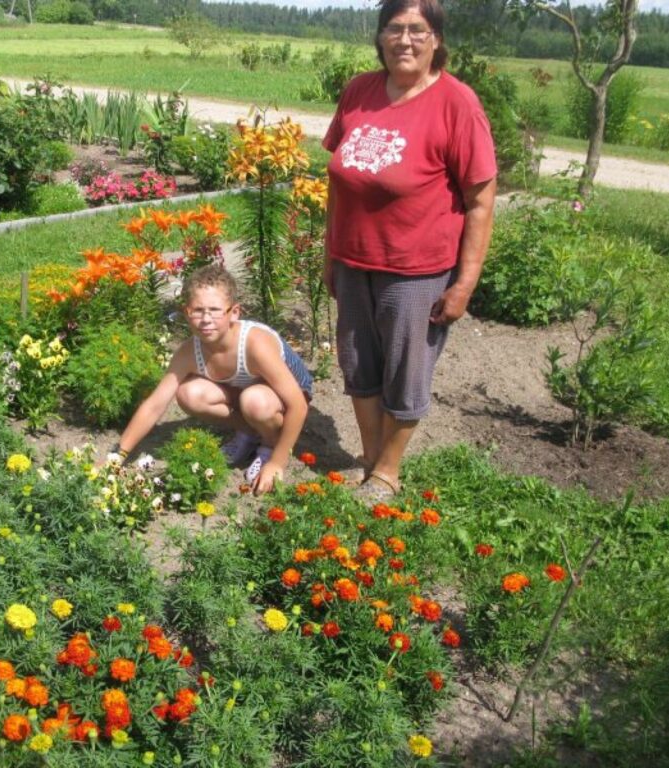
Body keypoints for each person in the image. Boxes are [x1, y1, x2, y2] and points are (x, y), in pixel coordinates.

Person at [322, 0, 497, 501]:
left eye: (418, 30)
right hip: (353, 260)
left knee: (406, 369)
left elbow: (480, 202)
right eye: (394, 29)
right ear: (379, 38)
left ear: (436, 39)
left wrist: (463, 283)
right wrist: (328, 253)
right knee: (358, 363)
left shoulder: (457, 104)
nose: (405, 40)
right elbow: (337, 181)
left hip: (416, 270)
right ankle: (373, 460)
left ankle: (388, 472)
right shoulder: (360, 91)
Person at [112, 265, 312, 495]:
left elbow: (298, 404)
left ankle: (270, 444)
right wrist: (118, 456)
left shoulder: (255, 344)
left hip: (286, 396)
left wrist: (278, 463)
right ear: (187, 312)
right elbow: (155, 405)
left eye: (215, 310)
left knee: (254, 401)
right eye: (197, 311)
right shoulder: (188, 352)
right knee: (189, 394)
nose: (206, 319)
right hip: (244, 389)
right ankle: (249, 432)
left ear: (234, 312)